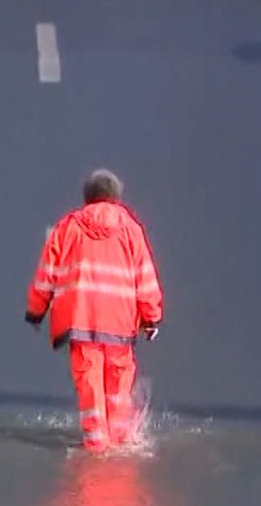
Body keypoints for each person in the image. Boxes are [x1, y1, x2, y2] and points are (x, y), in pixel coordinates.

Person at [27, 169, 164, 451]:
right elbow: (146, 277)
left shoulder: (67, 228)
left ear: (87, 198)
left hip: (81, 320)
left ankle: (95, 442)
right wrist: (151, 318)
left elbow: (46, 273)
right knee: (119, 380)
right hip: (120, 322)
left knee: (89, 379)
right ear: (116, 197)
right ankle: (122, 440)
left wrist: (36, 311)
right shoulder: (132, 229)